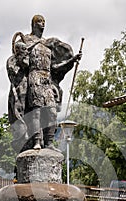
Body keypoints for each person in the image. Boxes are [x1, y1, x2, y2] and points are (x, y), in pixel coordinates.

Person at [7, 15, 82, 151]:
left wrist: (71, 60)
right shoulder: (27, 41)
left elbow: (54, 68)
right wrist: (21, 54)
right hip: (34, 78)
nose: (42, 24)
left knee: (52, 112)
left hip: (47, 80)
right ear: (33, 24)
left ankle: (49, 143)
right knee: (36, 112)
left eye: (44, 22)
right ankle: (36, 141)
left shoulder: (47, 44)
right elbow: (22, 63)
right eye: (40, 22)